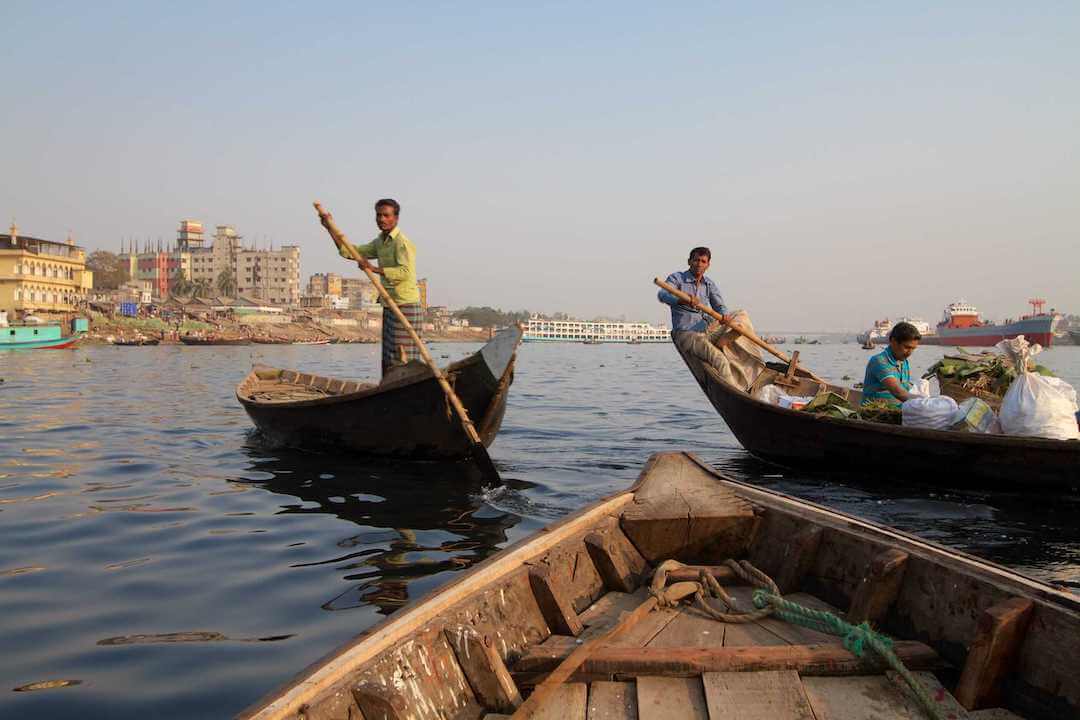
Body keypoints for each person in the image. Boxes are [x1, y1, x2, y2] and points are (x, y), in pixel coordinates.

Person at [337, 198, 420, 377]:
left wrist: (373, 269)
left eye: (386, 215)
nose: (381, 219)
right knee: (389, 356)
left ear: (395, 218)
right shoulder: (380, 242)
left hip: (405, 305)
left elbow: (404, 272)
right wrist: (330, 229)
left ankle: (406, 392)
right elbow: (352, 252)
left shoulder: (401, 243)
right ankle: (388, 391)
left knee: (405, 357)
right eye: (378, 215)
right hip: (389, 304)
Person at [657, 247, 727, 340]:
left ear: (708, 265)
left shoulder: (709, 284)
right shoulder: (677, 278)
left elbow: (719, 306)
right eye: (696, 260)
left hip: (706, 330)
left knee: (741, 316)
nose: (699, 264)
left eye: (703, 261)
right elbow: (662, 295)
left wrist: (724, 315)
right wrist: (680, 300)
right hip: (685, 333)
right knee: (715, 355)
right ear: (689, 262)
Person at [862, 321, 921, 406]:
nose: (909, 353)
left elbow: (906, 389)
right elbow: (897, 392)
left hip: (898, 411)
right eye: (907, 347)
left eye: (913, 349)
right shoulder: (879, 361)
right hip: (875, 414)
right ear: (893, 341)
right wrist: (923, 403)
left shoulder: (904, 362)